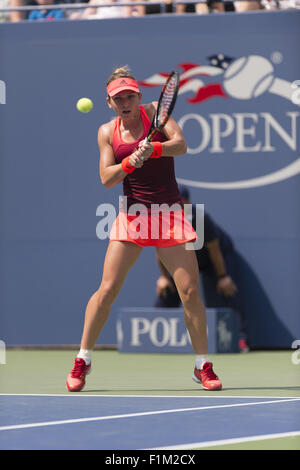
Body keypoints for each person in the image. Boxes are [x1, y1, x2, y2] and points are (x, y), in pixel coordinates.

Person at [66, 65, 222, 392]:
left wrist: (156, 149)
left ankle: (202, 365)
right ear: (109, 103)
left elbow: (181, 144)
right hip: (133, 215)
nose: (125, 102)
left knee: (190, 292)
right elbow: (106, 179)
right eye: (117, 98)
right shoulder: (106, 132)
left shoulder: (156, 115)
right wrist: (128, 163)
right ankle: (83, 359)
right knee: (107, 290)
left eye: (129, 96)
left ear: (139, 96)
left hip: (169, 213)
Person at [155, 185, 250, 353]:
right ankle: (154, 339)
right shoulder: (164, 219)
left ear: (187, 202)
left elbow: (214, 249)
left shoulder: (199, 218)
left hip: (215, 256)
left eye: (180, 203)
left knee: (228, 288)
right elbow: (160, 250)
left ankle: (241, 339)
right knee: (169, 289)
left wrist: (222, 276)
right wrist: (164, 277)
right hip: (187, 257)